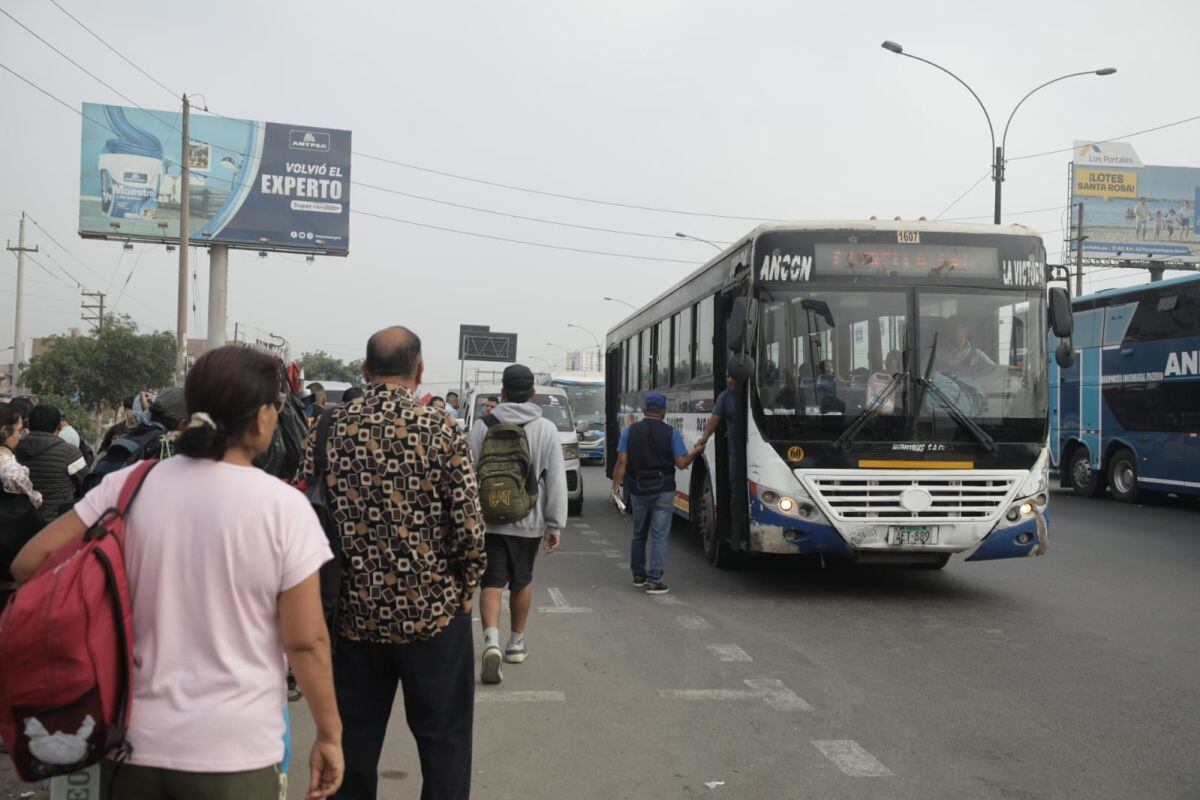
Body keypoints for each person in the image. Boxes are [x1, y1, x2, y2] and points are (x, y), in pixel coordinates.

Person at [11, 346, 344, 799]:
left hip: (128, 745)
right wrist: (329, 734)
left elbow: (29, 563)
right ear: (264, 417)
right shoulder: (283, 508)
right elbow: (305, 640)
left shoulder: (131, 484)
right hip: (234, 755)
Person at [302, 326, 485, 800]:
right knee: (444, 748)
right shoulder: (440, 428)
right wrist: (466, 590)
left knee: (350, 750)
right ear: (419, 371)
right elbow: (469, 526)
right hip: (433, 617)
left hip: (351, 619)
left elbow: (302, 517)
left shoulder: (326, 428)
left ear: (364, 371)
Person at [468, 364, 567, 684]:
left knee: (492, 582)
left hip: (488, 521)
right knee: (522, 581)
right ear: (533, 394)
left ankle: (491, 642)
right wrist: (554, 525)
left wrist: (469, 519)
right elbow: (556, 481)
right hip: (529, 519)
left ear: (503, 392)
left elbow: (469, 475)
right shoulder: (546, 429)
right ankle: (515, 643)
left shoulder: (482, 426)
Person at [610, 391, 700, 594]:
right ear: (664, 411)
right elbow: (682, 463)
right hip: (663, 490)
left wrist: (615, 490)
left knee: (638, 533)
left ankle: (638, 575)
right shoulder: (671, 433)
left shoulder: (629, 432)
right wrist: (695, 452)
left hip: (639, 489)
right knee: (659, 535)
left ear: (644, 411)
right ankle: (654, 579)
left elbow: (622, 462)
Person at [0, 404, 43, 607]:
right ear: (4, 432)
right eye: (17, 431)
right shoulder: (10, 468)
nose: (19, 436)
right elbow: (33, 499)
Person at [14, 404, 88, 522]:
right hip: (56, 525)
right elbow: (87, 483)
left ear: (29, 425)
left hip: (20, 524)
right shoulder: (70, 452)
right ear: (58, 426)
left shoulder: (14, 450)